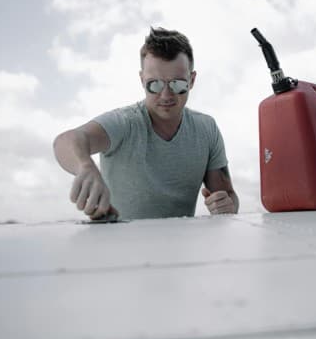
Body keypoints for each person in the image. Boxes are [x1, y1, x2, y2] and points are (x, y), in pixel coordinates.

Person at [53, 27, 239, 221]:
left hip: (182, 246)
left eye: (178, 84)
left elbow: (228, 197)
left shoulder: (207, 129)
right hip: (120, 245)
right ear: (142, 80)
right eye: (155, 84)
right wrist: (84, 167)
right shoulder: (124, 123)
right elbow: (66, 140)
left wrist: (227, 205)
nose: (166, 95)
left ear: (191, 80)